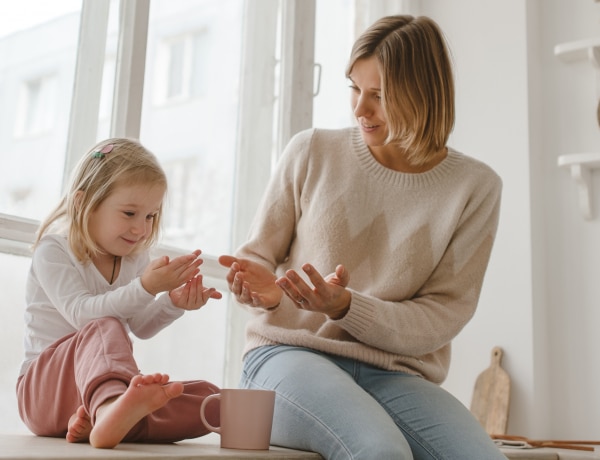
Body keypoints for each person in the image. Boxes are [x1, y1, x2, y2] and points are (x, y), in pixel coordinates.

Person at [219, 14, 506, 460]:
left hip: (397, 374)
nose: (359, 109)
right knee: (378, 451)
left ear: (425, 96)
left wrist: (348, 307)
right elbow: (257, 257)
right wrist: (260, 288)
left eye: (380, 95)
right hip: (287, 356)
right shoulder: (311, 150)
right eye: (354, 87)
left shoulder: (475, 187)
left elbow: (442, 315)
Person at [17, 138, 222, 449]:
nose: (141, 229)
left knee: (208, 397)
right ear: (83, 203)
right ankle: (113, 410)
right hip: (43, 392)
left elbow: (140, 325)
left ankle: (106, 417)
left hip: (94, 394)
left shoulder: (135, 258)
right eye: (129, 213)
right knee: (103, 325)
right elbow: (82, 314)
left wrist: (172, 302)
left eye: (150, 216)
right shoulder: (54, 250)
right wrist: (146, 287)